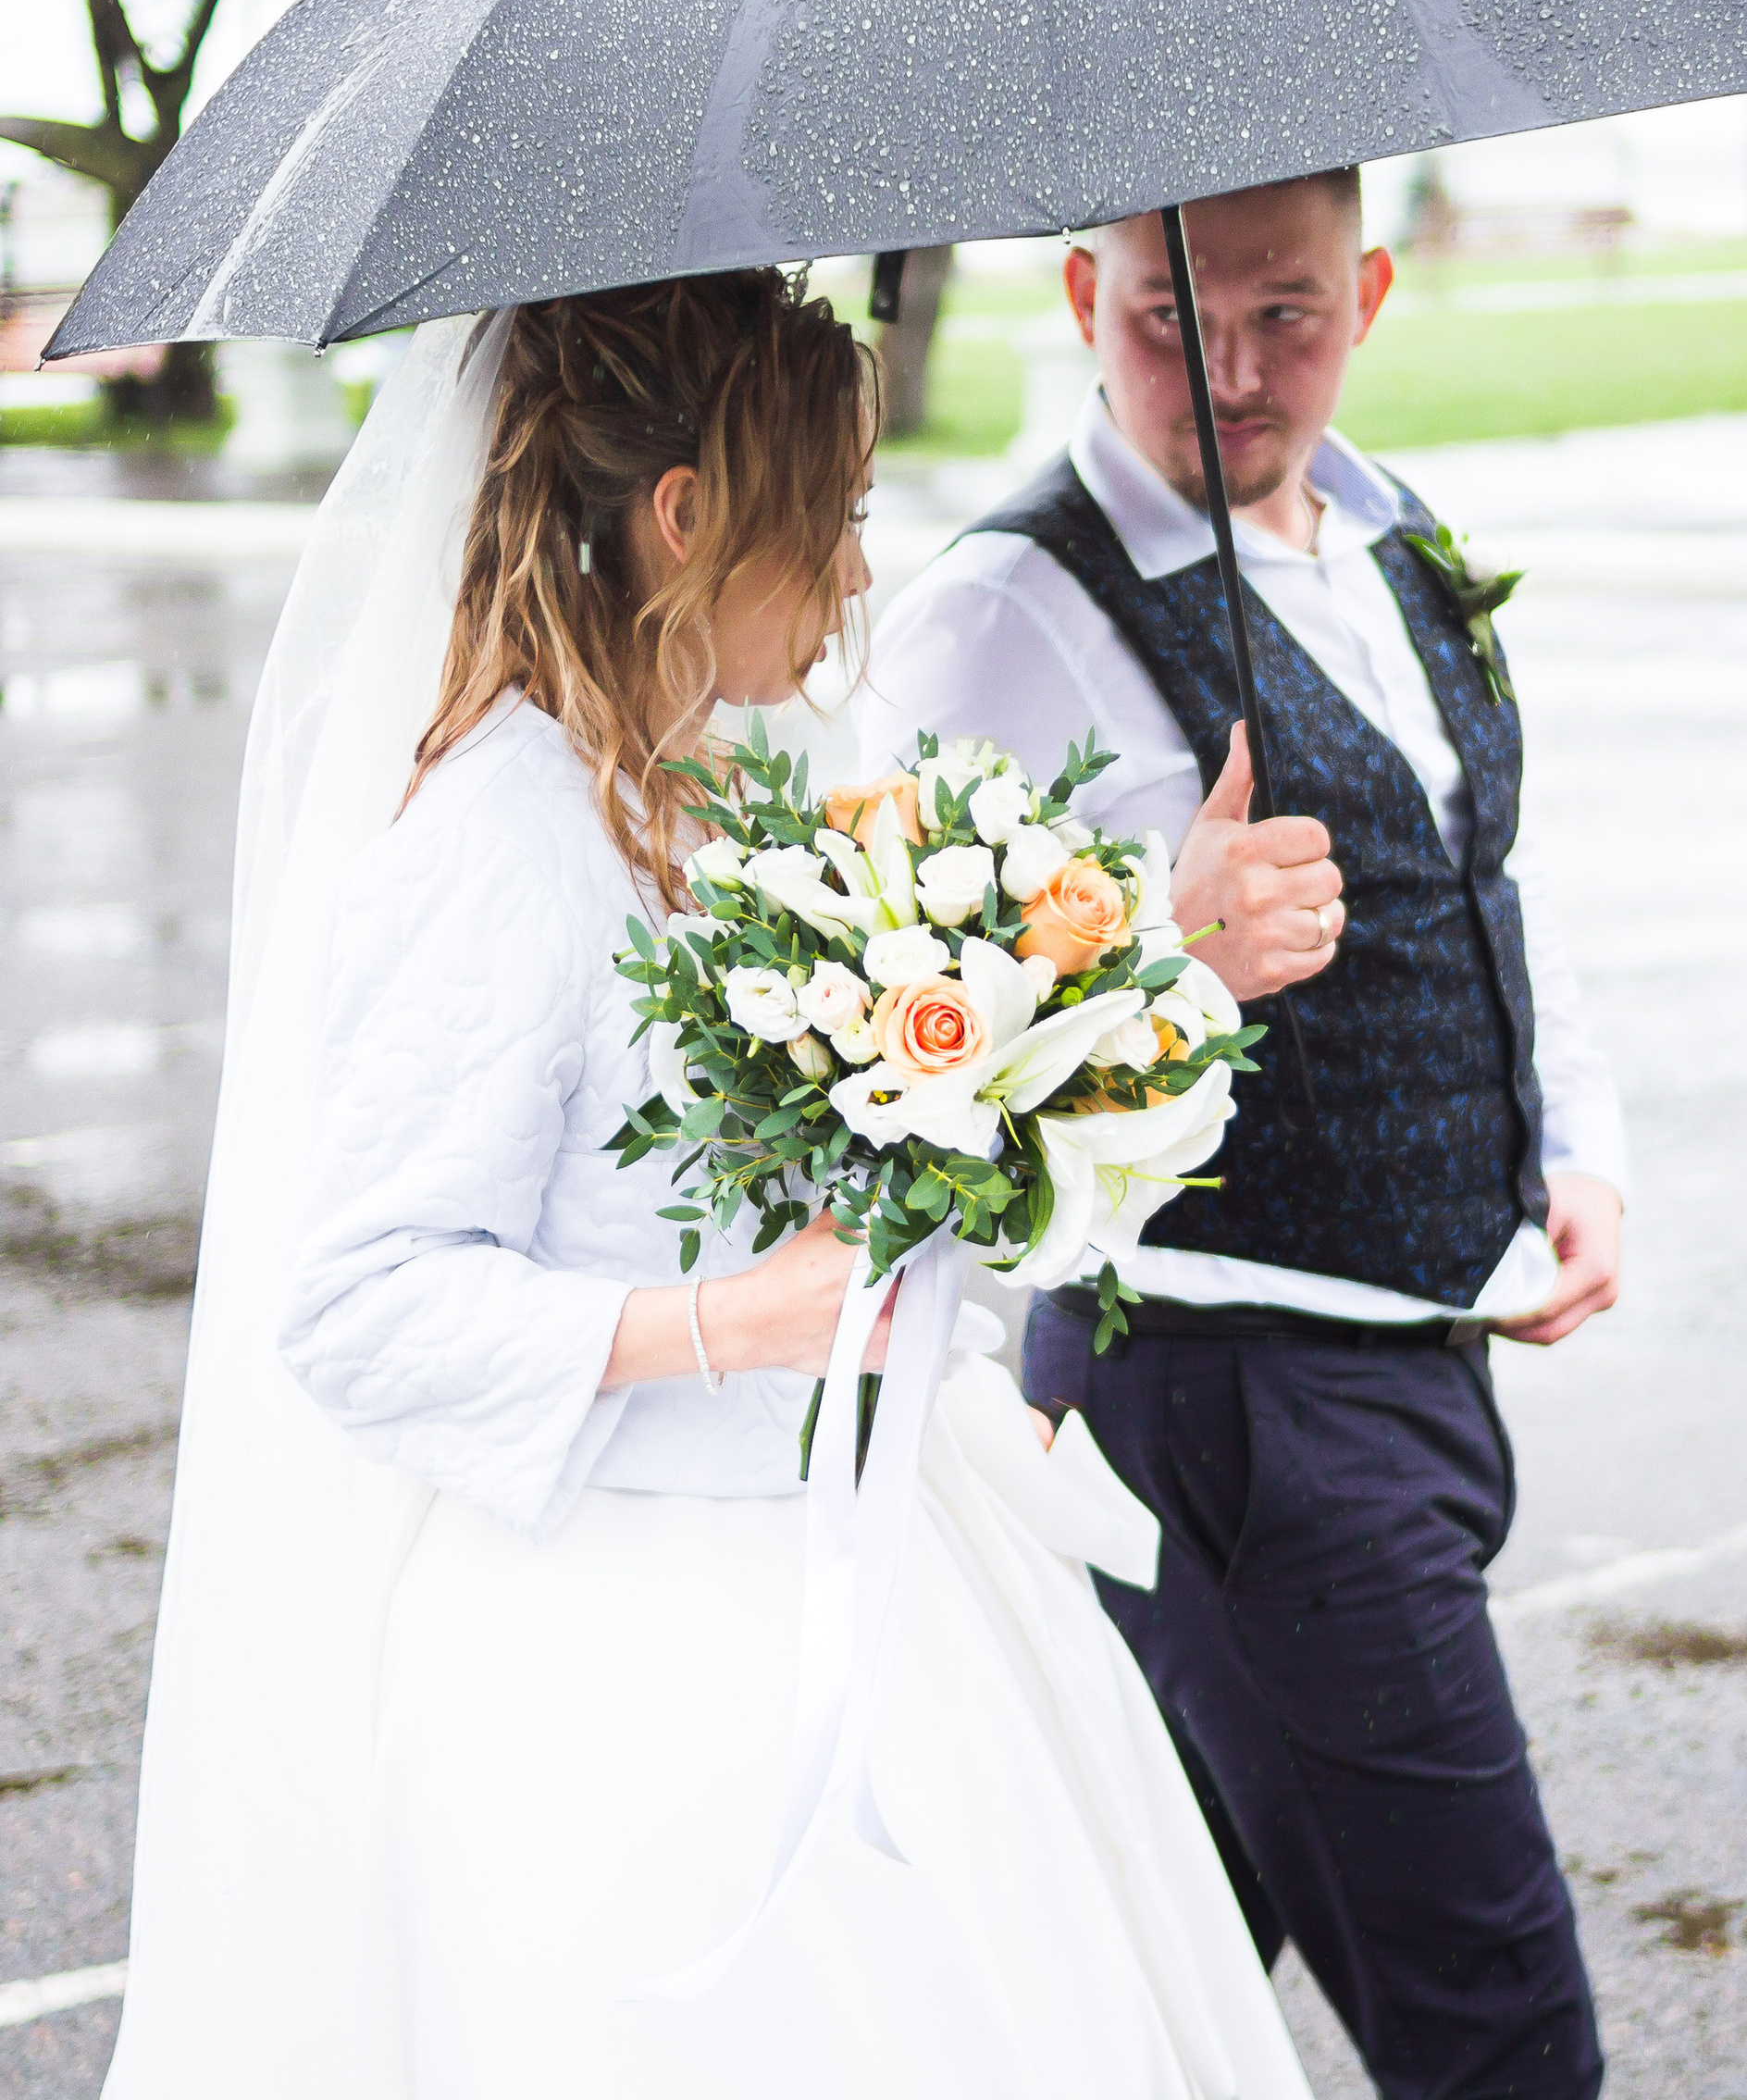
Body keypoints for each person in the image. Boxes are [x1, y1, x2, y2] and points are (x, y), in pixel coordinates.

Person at [102, 271, 1311, 2100]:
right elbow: (358, 1301)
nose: (849, 573)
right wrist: (730, 1319)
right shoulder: (503, 839)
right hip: (628, 1681)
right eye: (826, 514)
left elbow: (877, 1127)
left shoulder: (679, 797)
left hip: (826, 1583)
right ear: (683, 518)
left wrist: (1161, 950)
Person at [857, 171, 1628, 2100]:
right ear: (1073, 288)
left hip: (1416, 1360)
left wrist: (1567, 1137)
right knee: (1500, 2032)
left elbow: (1477, 871)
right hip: (1230, 1397)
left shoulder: (1389, 529)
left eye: (1284, 309)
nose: (1223, 365)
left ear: (1366, 290)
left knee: (1150, 1980)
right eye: (1160, 312)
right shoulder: (1000, 613)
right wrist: (1157, 949)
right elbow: (905, 1051)